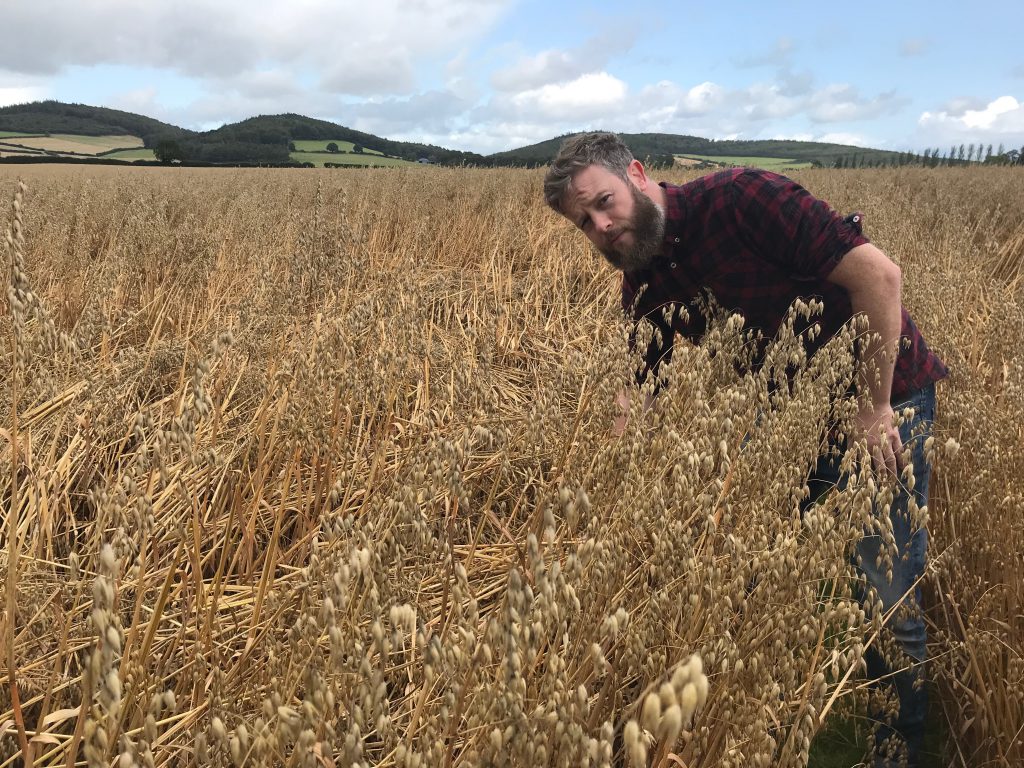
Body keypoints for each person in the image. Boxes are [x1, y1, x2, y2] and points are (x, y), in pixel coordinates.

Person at [543, 132, 948, 767]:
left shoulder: (743, 198)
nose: (600, 225)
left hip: (884, 396)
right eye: (585, 223)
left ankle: (898, 748)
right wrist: (611, 488)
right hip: (792, 416)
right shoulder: (645, 281)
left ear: (639, 176)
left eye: (604, 203)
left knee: (884, 587)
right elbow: (638, 392)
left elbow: (880, 277)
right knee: (754, 568)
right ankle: (763, 717)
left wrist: (872, 409)